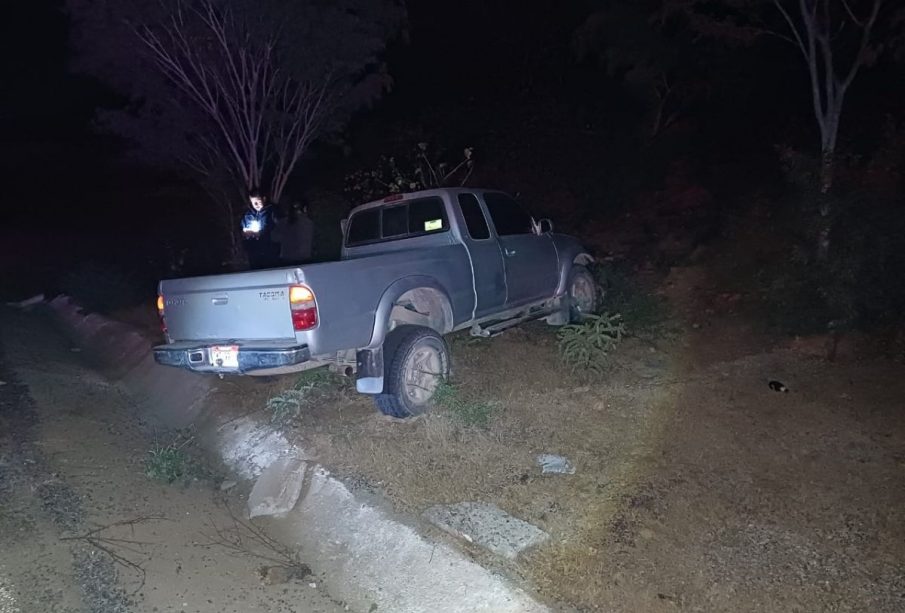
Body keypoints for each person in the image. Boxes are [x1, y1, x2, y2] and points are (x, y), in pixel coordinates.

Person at [241, 190, 277, 269]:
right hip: (253, 249)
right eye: (254, 203)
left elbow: (275, 229)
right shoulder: (248, 214)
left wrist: (260, 233)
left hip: (268, 248)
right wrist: (246, 234)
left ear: (264, 199)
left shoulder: (271, 212)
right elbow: (243, 228)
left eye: (258, 202)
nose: (256, 205)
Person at [273, 200, 315, 264]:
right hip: (304, 259)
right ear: (305, 208)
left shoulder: (283, 222)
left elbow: (274, 238)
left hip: (287, 259)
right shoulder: (309, 223)